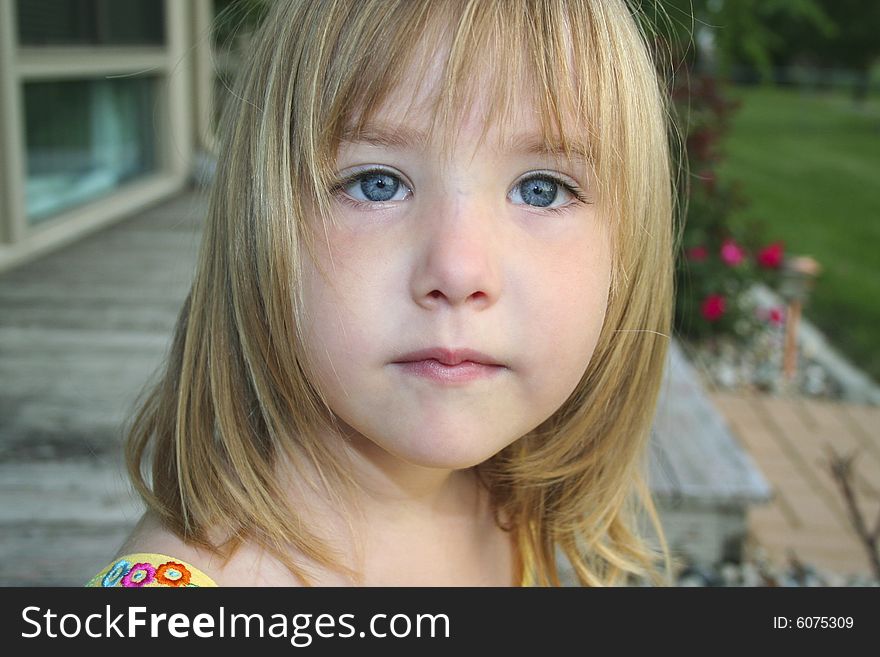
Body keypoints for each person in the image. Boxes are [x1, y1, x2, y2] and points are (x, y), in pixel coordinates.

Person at [87, 0, 677, 588]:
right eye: (378, 183)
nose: (459, 268)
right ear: (261, 226)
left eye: (542, 190)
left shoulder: (506, 506)